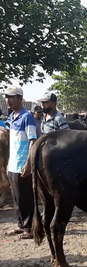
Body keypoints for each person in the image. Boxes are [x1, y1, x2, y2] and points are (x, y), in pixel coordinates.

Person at [3, 86, 37, 239]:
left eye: (12, 97)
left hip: (22, 164)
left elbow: (32, 141)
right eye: (7, 97)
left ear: (19, 99)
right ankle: (21, 225)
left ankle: (29, 227)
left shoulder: (27, 117)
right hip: (12, 164)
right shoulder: (12, 117)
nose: (8, 100)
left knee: (25, 197)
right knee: (16, 197)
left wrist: (28, 163)